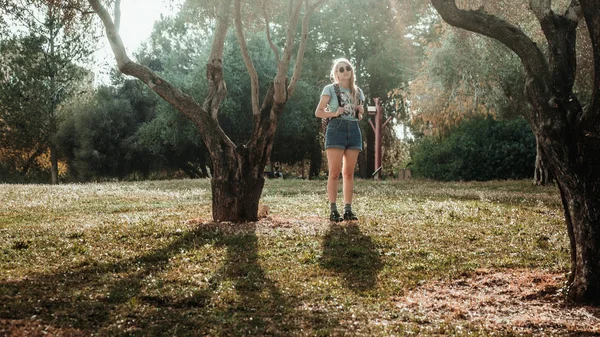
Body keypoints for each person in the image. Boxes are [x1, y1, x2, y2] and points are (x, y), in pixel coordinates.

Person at [314, 58, 364, 222]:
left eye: (347, 68)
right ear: (336, 74)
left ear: (351, 70)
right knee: (334, 173)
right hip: (336, 129)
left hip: (354, 130)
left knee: (349, 173)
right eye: (341, 69)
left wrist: (360, 112)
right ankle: (333, 210)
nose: (345, 71)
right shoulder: (330, 89)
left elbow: (359, 116)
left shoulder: (358, 91)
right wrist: (335, 113)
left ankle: (348, 210)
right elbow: (319, 112)